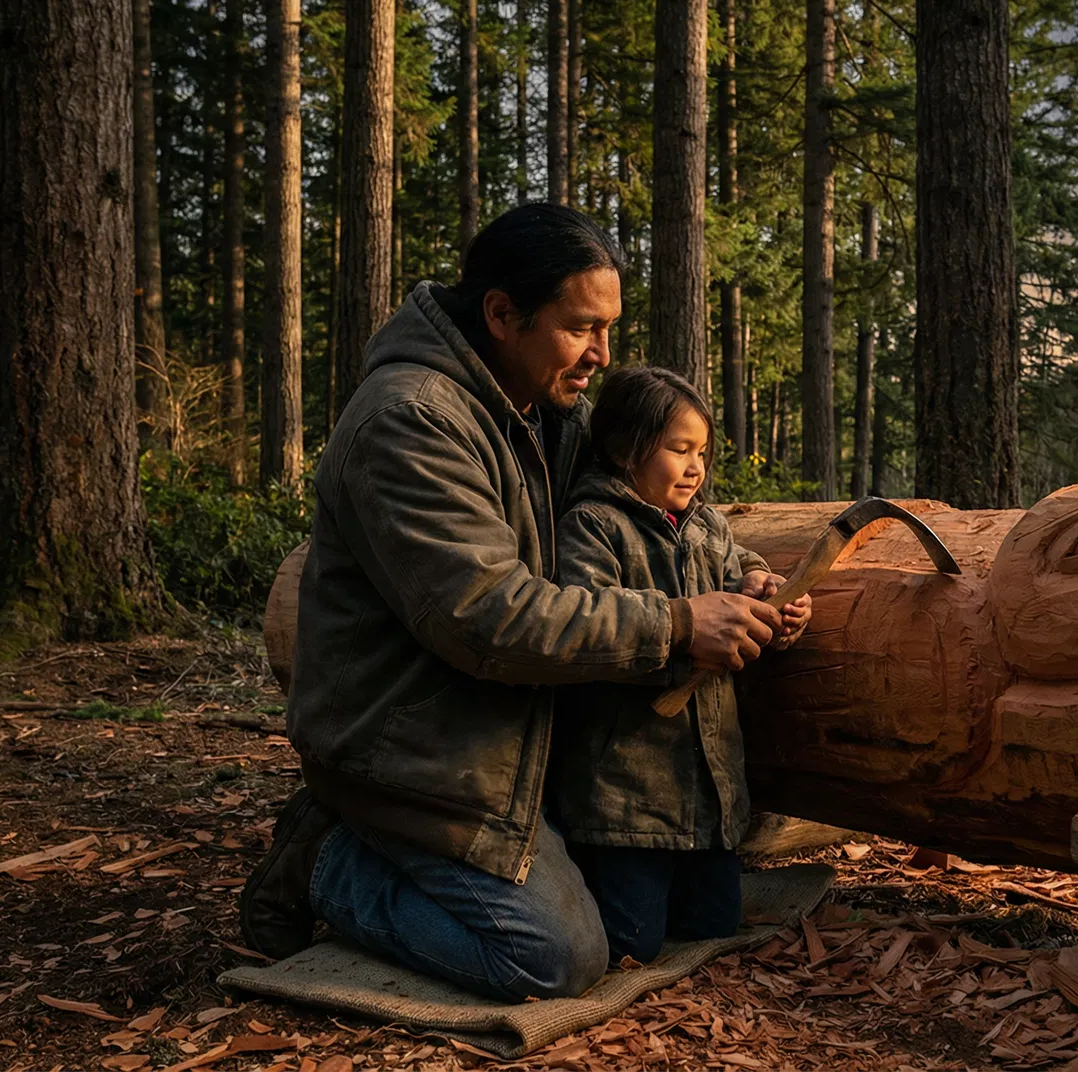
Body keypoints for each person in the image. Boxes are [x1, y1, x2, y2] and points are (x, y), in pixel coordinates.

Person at [238, 204, 788, 1002]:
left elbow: (653, 505)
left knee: (638, 911)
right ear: (501, 313)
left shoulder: (547, 408)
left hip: (517, 743)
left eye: (608, 329)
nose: (602, 354)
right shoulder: (411, 420)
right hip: (419, 760)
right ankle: (325, 860)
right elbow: (488, 617)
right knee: (555, 958)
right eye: (581, 329)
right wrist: (677, 623)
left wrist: (742, 578)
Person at [549, 367, 812, 965]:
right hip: (624, 797)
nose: (695, 467)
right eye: (678, 450)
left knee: (712, 927)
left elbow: (738, 569)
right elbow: (590, 621)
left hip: (708, 794)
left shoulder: (707, 524)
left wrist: (767, 592)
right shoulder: (594, 525)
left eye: (702, 452)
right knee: (629, 944)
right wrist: (680, 637)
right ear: (624, 449)